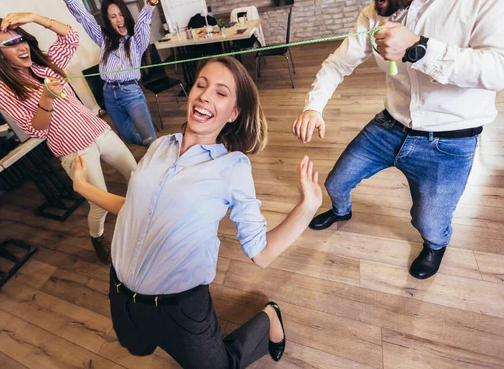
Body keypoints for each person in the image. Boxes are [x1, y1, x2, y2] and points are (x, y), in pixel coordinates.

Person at [71, 56, 323, 368]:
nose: (204, 95)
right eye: (201, 85)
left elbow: (262, 253)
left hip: (180, 308)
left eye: (221, 92)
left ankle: (268, 317)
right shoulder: (159, 147)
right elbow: (133, 209)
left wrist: (307, 207)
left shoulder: (231, 166)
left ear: (234, 113)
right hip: (120, 293)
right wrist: (82, 187)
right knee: (135, 346)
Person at [293, 0, 504, 279]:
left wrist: (419, 48)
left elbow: (503, 69)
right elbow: (337, 64)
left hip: (450, 142)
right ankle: (341, 211)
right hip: (388, 126)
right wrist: (313, 107)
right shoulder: (378, 9)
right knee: (335, 183)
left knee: (430, 223)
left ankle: (435, 245)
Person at [0, 13, 137, 264]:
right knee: (99, 204)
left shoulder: (43, 64)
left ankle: (144, 219)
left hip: (99, 131)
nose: (21, 46)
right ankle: (97, 237)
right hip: (74, 151)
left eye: (21, 39)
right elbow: (37, 131)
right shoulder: (1, 89)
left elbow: (71, 36)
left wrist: (33, 17)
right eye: (10, 44)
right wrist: (46, 98)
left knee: (136, 175)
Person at [42, 0, 181, 147]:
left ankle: (159, 158)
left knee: (150, 140)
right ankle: (158, 150)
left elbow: (143, 22)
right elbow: (82, 15)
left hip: (131, 93)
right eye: (113, 16)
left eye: (121, 14)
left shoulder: (136, 40)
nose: (119, 19)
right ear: (108, 20)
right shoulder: (104, 39)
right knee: (129, 138)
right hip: (109, 93)